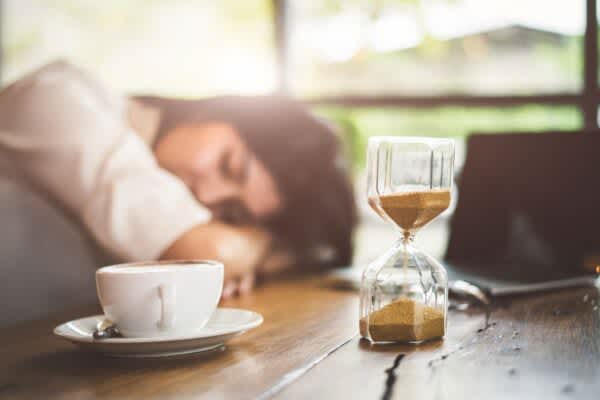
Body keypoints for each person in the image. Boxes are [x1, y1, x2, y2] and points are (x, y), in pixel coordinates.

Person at [0, 61, 356, 299]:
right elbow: (204, 254)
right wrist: (261, 242)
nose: (206, 195)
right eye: (227, 165)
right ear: (217, 110)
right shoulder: (56, 100)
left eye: (231, 211)